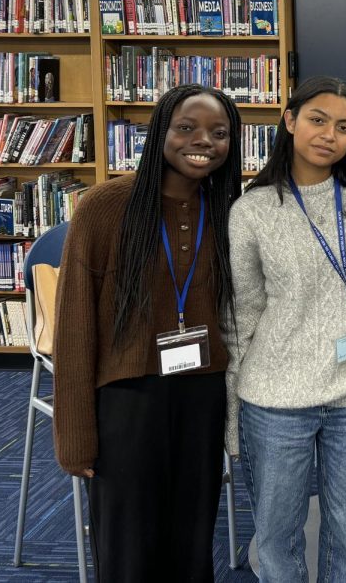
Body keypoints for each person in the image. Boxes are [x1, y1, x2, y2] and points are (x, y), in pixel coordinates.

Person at [53, 83, 243, 581]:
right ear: (161, 131)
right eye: (186, 128)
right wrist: (75, 435)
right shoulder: (104, 207)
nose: (202, 141)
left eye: (218, 133)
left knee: (192, 540)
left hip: (203, 393)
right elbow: (74, 326)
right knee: (128, 546)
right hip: (127, 397)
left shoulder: (228, 210)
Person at [227, 76, 346, 583]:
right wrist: (232, 411)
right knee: (278, 536)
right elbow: (240, 315)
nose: (329, 134)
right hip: (277, 398)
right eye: (318, 120)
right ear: (290, 120)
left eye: (344, 127)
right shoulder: (252, 211)